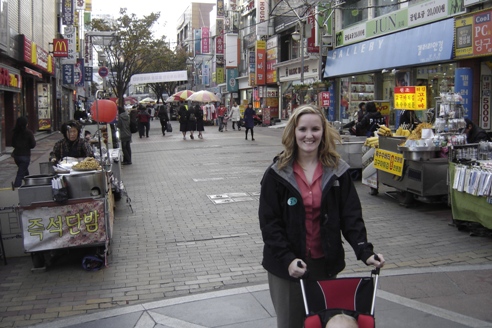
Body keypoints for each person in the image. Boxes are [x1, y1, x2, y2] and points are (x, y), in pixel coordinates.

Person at [258, 104, 385, 328]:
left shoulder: (337, 171)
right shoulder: (277, 174)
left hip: (324, 264)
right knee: (291, 323)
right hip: (286, 266)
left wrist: (365, 251)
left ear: (323, 132)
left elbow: (351, 216)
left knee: (324, 322)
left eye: (315, 129)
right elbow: (270, 225)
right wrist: (287, 259)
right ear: (293, 132)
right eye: (303, 129)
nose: (309, 135)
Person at [11, 117, 36, 188]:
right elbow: (33, 144)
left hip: (17, 155)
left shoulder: (15, 132)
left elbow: (12, 144)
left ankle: (28, 182)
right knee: (21, 172)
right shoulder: (29, 132)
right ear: (26, 124)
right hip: (25, 155)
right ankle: (17, 184)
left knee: (24, 169)